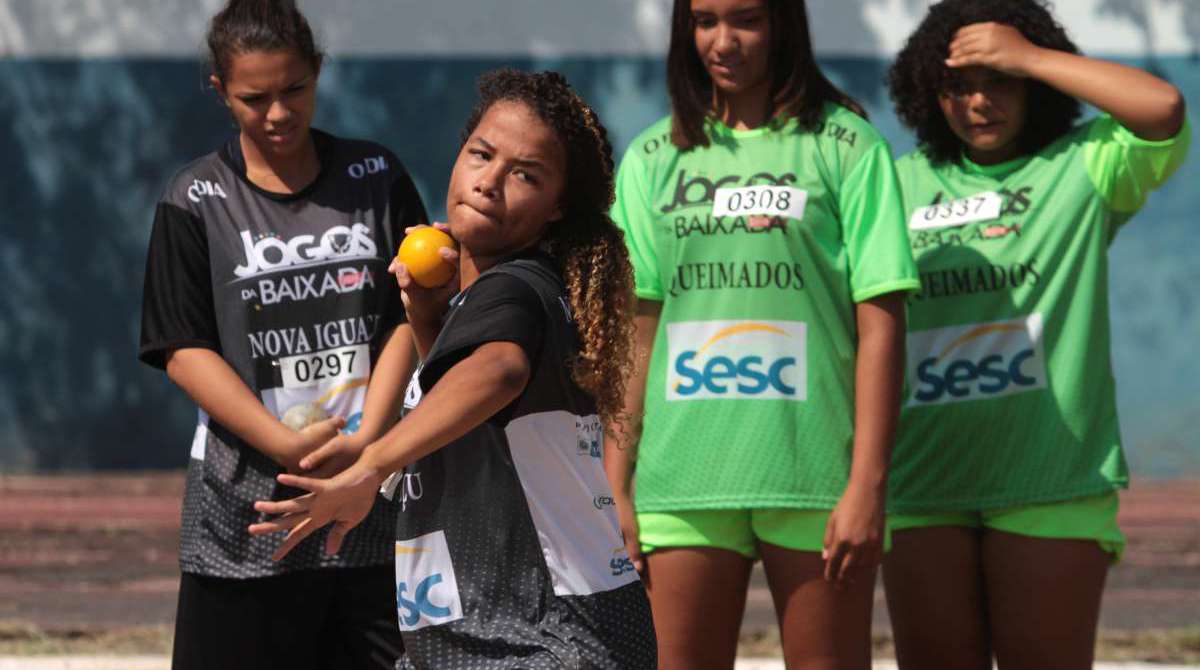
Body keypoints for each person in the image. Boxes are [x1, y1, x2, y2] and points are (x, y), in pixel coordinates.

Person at [250, 69, 658, 669]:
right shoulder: (495, 296)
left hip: (541, 643)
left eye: (525, 174)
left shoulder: (515, 289)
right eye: (481, 155)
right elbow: (476, 417)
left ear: (556, 207)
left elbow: (499, 371)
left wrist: (370, 466)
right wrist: (427, 320)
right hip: (483, 638)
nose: (490, 182)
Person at [606, 0, 920, 666]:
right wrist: (617, 485)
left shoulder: (848, 146)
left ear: (783, 24)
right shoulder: (653, 158)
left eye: (745, 18)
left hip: (815, 477)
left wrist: (867, 484)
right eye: (704, 20)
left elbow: (882, 326)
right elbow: (636, 336)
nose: (723, 41)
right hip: (681, 480)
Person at [882, 1, 1190, 668]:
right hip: (921, 481)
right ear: (928, 97)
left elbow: (1162, 108)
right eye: (957, 86)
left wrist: (1029, 54)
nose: (979, 102)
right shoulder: (894, 185)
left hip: (1051, 479)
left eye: (1000, 82)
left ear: (1033, 87)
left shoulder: (1083, 169)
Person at [137, 0, 427, 667]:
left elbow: (407, 319)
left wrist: (368, 442)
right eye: (254, 97)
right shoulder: (193, 198)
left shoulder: (376, 178)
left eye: (294, 89)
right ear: (220, 90)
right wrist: (287, 446)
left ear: (318, 72)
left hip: (369, 494)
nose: (277, 114)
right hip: (247, 507)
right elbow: (182, 348)